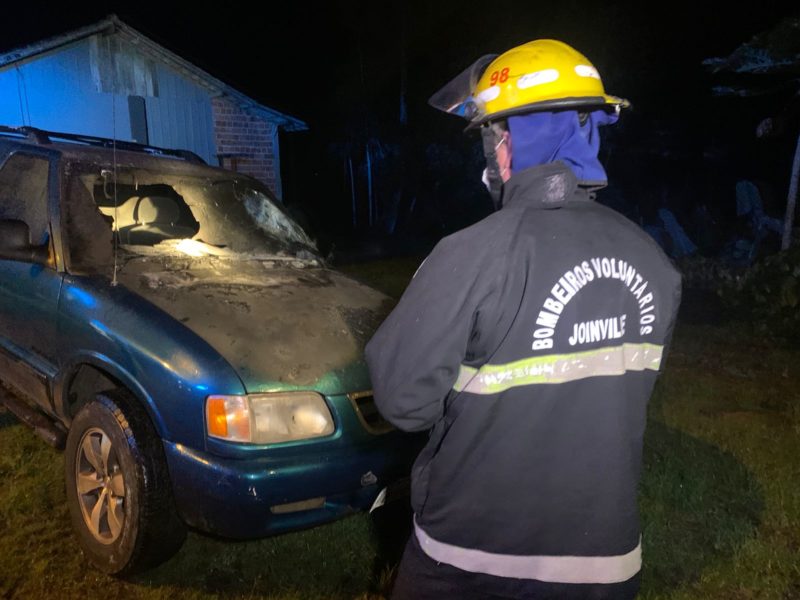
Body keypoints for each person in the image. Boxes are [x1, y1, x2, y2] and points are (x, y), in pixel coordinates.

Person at [365, 39, 682, 599]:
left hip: (469, 563)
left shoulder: (471, 253)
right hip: (603, 569)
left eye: (490, 138)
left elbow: (402, 401)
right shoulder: (652, 260)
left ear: (506, 144)